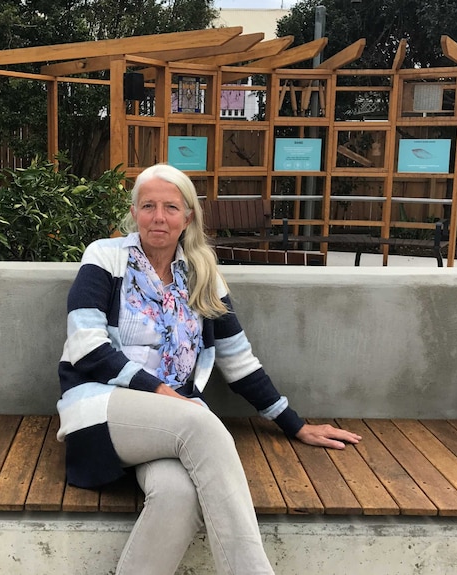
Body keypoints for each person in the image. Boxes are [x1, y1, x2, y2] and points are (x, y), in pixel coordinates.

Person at [57, 163, 361, 575]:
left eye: (170, 207)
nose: (158, 217)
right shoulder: (105, 257)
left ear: (188, 217)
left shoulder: (202, 274)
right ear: (134, 213)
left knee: (178, 496)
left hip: (169, 424)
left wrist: (295, 425)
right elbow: (87, 345)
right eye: (148, 206)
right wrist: (162, 392)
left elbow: (239, 362)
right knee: (200, 421)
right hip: (102, 408)